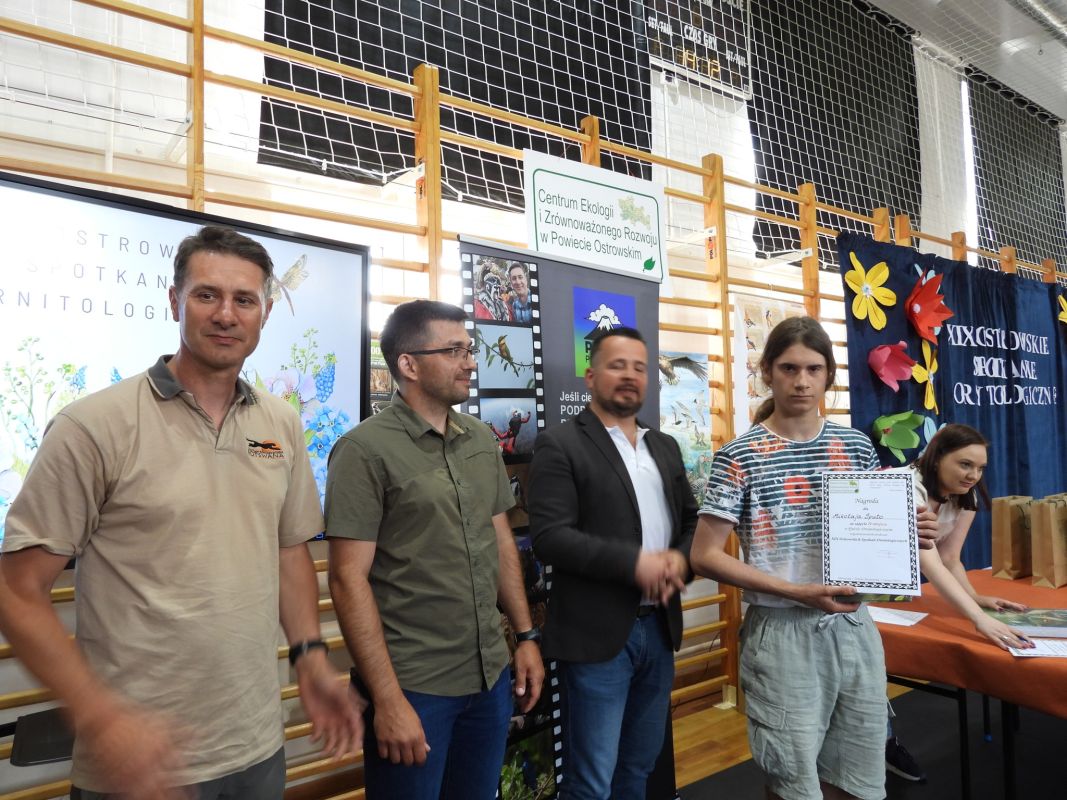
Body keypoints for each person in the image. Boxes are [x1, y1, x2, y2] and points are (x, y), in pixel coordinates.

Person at [0, 226, 363, 798]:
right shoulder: (93, 426)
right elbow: (16, 592)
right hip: (138, 765)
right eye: (206, 295)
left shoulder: (281, 423)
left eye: (244, 300)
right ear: (174, 301)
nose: (226, 315)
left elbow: (288, 549)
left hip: (256, 745)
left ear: (266, 313)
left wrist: (310, 655)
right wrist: (101, 718)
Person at [689, 316, 947, 800]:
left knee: (859, 773)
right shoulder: (740, 456)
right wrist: (796, 591)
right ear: (767, 371)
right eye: (789, 368)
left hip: (853, 626)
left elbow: (873, 531)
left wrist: (910, 533)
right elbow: (703, 556)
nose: (802, 381)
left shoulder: (854, 445)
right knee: (792, 779)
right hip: (782, 630)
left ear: (829, 373)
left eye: (813, 368)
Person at [325, 300, 544, 800]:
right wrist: (387, 700)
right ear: (408, 364)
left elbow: (500, 541)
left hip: (489, 675)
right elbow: (347, 580)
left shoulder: (480, 440)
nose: (470, 362)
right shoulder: (363, 451)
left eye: (469, 349)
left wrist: (526, 635)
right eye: (454, 351)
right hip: (415, 686)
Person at [528, 327, 697, 800]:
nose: (630, 376)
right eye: (617, 365)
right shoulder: (560, 443)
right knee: (591, 783)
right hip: (597, 638)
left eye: (639, 367)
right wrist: (634, 564)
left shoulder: (664, 446)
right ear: (590, 375)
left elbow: (691, 520)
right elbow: (549, 538)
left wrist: (679, 562)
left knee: (637, 769)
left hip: (659, 630)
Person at [885, 423, 1032, 782]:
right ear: (938, 458)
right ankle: (884, 744)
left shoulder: (967, 496)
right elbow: (930, 564)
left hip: (901, 591)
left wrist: (976, 599)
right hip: (865, 588)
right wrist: (977, 618)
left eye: (980, 468)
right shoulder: (903, 488)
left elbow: (950, 558)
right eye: (965, 464)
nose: (973, 475)